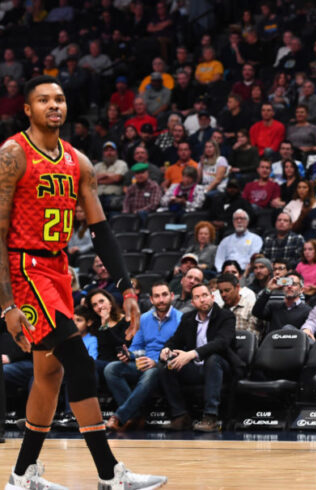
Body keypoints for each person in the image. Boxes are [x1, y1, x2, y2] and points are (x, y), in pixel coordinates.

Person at [0, 74, 167, 488]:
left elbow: (102, 232)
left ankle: (22, 473)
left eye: (59, 99)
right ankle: (110, 473)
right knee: (77, 361)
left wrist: (128, 288)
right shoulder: (12, 155)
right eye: (43, 100)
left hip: (57, 270)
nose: (53, 105)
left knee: (49, 375)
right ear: (28, 109)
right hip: (25, 269)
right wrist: (6, 304)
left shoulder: (79, 162)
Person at [104, 282, 182, 432]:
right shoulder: (144, 318)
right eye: (157, 296)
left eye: (164, 295)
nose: (161, 299)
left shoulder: (181, 318)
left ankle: (120, 416)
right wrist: (129, 354)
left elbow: (182, 349)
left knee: (152, 372)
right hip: (143, 362)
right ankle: (135, 414)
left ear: (172, 296)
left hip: (164, 366)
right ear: (151, 299)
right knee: (111, 369)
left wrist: (157, 361)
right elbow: (137, 347)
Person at [158, 283, 235, 432]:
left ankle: (210, 417)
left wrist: (192, 353)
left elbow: (221, 343)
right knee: (166, 368)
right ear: (192, 302)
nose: (202, 300)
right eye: (197, 297)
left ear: (212, 297)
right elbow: (175, 340)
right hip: (196, 368)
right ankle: (180, 416)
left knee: (213, 359)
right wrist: (166, 349)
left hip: (222, 366)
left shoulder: (226, 316)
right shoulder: (188, 318)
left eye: (205, 296)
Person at [252, 271, 312, 336]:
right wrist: (268, 289)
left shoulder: (308, 311)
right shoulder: (273, 306)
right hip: (272, 344)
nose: (289, 286)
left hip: (294, 344)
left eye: (294, 284)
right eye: (286, 283)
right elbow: (256, 312)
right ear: (283, 287)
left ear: (301, 290)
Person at [216, 272, 259, 339]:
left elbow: (252, 338)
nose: (223, 294)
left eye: (227, 290)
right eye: (221, 292)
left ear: (237, 287)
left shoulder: (251, 308)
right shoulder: (219, 311)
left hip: (244, 347)